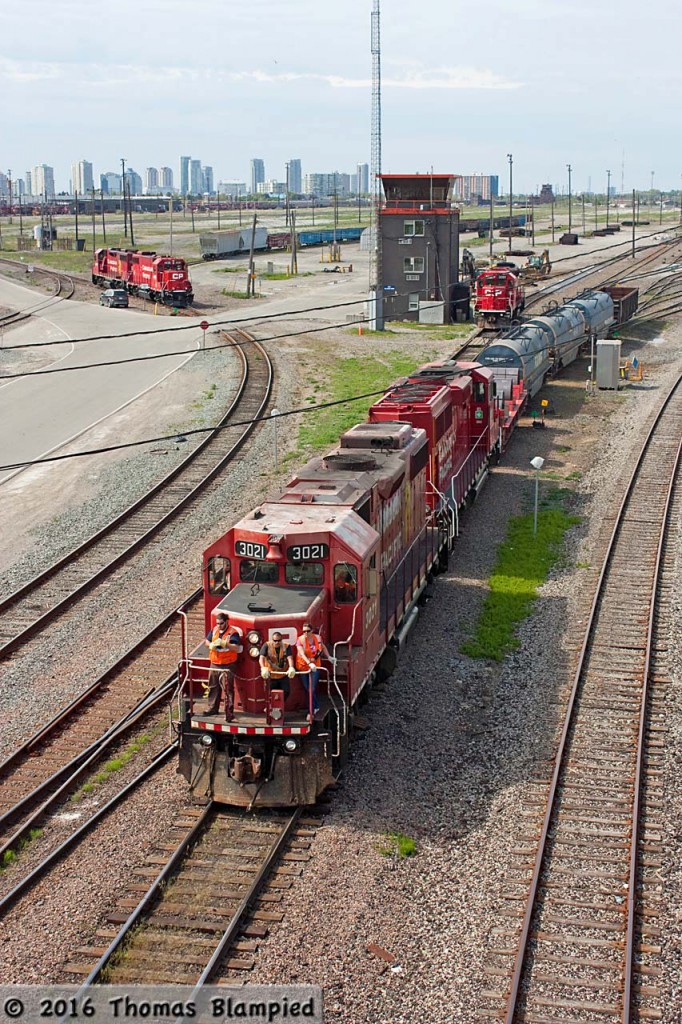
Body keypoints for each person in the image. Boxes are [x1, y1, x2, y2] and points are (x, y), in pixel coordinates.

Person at [205, 611, 242, 720]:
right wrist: (211, 645)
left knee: (228, 689)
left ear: (226, 622)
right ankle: (212, 708)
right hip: (214, 663)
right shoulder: (215, 630)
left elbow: (236, 647)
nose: (219, 625)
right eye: (217, 623)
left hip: (227, 665)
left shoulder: (233, 633)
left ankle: (229, 713)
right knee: (213, 687)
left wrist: (225, 644)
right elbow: (206, 641)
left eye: (221, 623)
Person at [295, 623, 333, 716]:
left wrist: (329, 657)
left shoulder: (318, 638)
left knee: (312, 688)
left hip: (315, 666)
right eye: (304, 631)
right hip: (303, 667)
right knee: (307, 688)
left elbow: (322, 647)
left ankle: (311, 711)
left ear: (311, 631)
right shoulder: (300, 640)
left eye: (308, 631)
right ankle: (316, 706)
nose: (306, 633)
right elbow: (301, 653)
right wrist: (309, 663)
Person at [259, 631, 296, 697]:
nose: (277, 642)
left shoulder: (286, 646)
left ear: (281, 640)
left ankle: (280, 706)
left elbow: (290, 658)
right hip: (271, 675)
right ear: (272, 640)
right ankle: (272, 707)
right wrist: (263, 668)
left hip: (283, 675)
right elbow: (261, 658)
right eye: (275, 640)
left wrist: (291, 667)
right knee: (270, 694)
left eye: (279, 641)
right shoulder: (267, 645)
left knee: (286, 692)